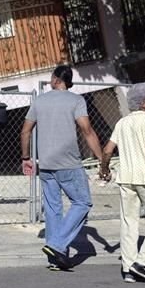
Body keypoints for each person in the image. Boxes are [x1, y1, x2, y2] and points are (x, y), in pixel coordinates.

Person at [20, 65, 104, 271]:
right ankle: (57, 246)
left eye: (51, 77)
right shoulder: (76, 100)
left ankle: (55, 259)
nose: (50, 80)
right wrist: (102, 159)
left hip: (46, 164)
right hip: (69, 163)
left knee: (52, 209)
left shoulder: (39, 101)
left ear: (57, 79)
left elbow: (25, 131)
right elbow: (87, 130)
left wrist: (26, 157)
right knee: (82, 202)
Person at [99, 83, 145, 284]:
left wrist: (104, 169)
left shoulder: (122, 123)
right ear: (142, 103)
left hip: (125, 179)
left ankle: (128, 269)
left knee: (129, 222)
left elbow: (107, 150)